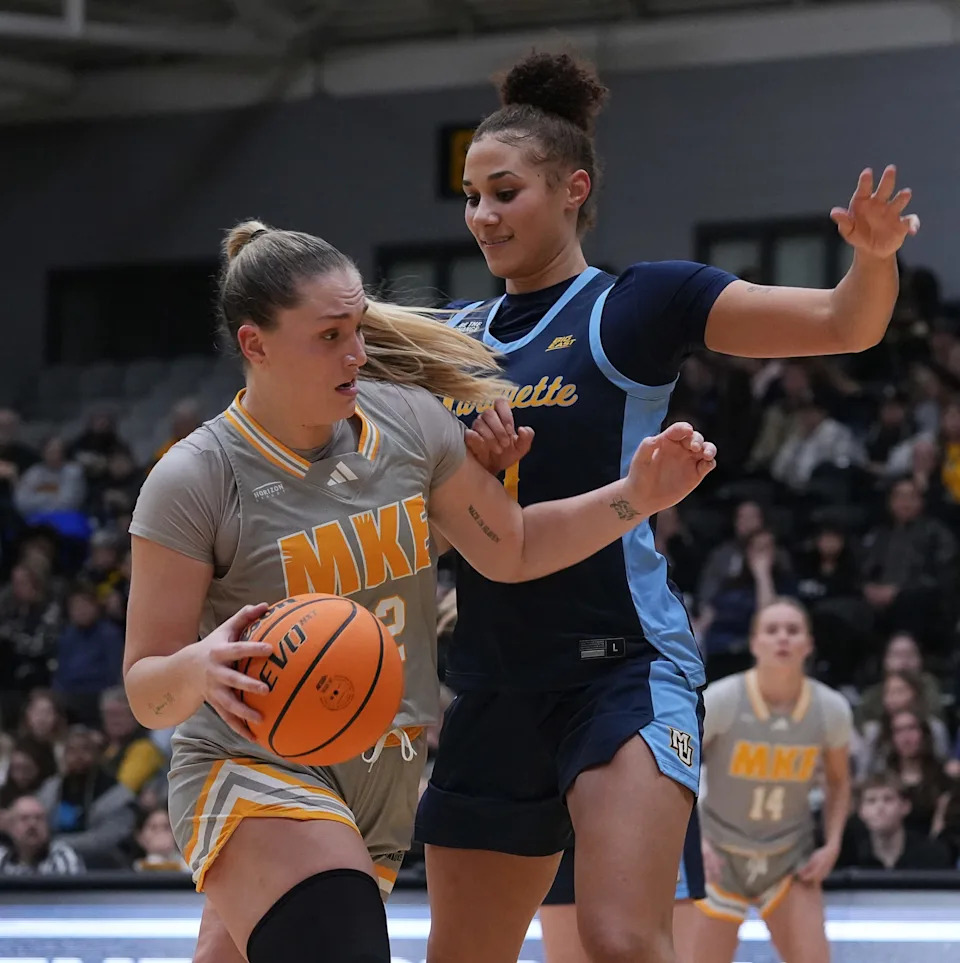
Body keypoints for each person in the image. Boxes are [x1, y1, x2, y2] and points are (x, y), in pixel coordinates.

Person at [416, 50, 917, 963]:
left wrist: (873, 261)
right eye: (471, 195)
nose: (482, 215)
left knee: (621, 940)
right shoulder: (449, 339)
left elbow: (847, 323)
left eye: (504, 192)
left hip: (622, 669)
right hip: (490, 677)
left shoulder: (638, 302)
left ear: (573, 188)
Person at [123, 221, 717, 963]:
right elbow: (147, 690)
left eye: (360, 329)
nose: (358, 353)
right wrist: (198, 665)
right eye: (331, 335)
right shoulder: (195, 478)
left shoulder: (407, 421)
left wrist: (636, 493)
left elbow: (515, 548)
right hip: (256, 764)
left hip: (378, 776)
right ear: (256, 345)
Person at [691, 599, 852, 963]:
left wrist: (833, 844)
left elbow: (839, 783)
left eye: (793, 631)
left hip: (787, 859)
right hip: (719, 856)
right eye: (772, 630)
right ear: (754, 643)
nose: (783, 638)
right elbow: (678, 767)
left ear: (808, 645)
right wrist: (694, 842)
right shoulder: (723, 699)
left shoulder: (831, 710)